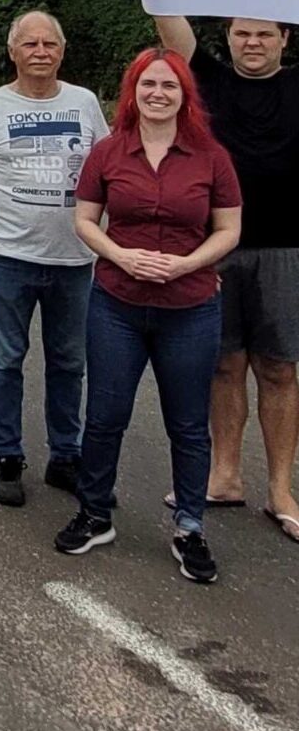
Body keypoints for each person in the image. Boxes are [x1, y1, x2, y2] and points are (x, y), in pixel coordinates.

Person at [124, 0, 298, 546]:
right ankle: (226, 475)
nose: (252, 43)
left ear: (285, 39)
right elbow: (170, 24)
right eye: (242, 34)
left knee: (279, 368)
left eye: (264, 35)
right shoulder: (208, 79)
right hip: (213, 249)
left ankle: (281, 487)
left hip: (286, 248)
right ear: (227, 38)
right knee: (224, 365)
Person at [56, 49, 241, 584]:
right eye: (147, 84)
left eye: (169, 86)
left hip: (191, 308)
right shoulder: (109, 153)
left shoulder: (211, 157)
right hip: (117, 304)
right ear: (132, 92)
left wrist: (187, 263)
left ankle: (189, 527)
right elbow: (85, 220)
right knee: (105, 415)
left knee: (187, 424)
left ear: (185, 96)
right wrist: (120, 254)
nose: (158, 93)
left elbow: (228, 230)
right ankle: (94, 513)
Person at [0, 12, 107, 507]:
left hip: (74, 258)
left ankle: (66, 455)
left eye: (50, 44)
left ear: (62, 50)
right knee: (4, 360)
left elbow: (109, 173)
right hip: (8, 254)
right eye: (30, 44)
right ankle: (8, 456)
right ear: (13, 51)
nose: (41, 52)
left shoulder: (84, 103)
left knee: (69, 361)